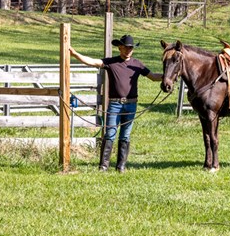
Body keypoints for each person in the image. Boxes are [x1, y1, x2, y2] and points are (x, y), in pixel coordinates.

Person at [68, 34, 162, 172]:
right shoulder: (111, 62)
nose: (128, 50)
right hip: (114, 104)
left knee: (125, 135)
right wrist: (75, 54)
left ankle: (121, 166)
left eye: (130, 48)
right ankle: (103, 166)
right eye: (125, 48)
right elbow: (92, 62)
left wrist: (168, 78)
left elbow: (153, 77)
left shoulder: (137, 64)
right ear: (120, 47)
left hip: (131, 104)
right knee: (110, 133)